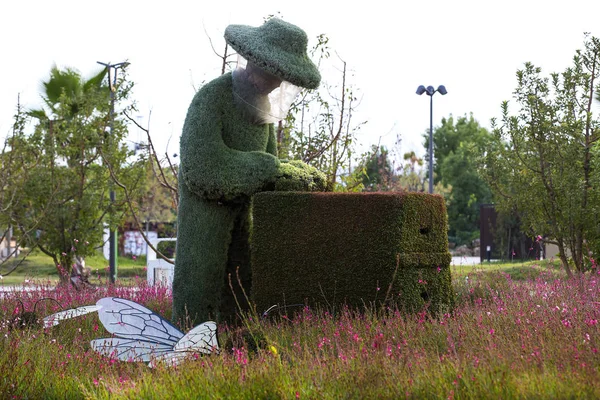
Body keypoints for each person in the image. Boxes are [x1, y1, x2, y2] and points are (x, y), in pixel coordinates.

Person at [172, 18, 325, 325]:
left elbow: (270, 164)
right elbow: (202, 167)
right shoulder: (211, 97)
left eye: (284, 77)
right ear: (258, 63)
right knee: (199, 286)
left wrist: (291, 176)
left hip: (242, 219)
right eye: (276, 73)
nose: (279, 82)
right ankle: (189, 342)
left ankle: (237, 345)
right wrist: (263, 167)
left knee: (239, 289)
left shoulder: (262, 109)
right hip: (204, 217)